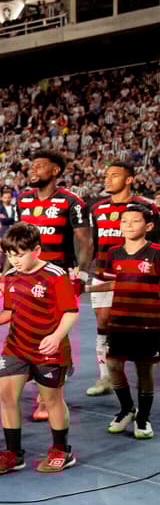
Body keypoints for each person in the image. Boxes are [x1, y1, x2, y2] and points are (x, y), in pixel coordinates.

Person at [0, 223, 80, 475]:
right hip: (16, 346)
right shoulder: (10, 276)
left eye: (20, 254)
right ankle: (13, 454)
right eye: (10, 255)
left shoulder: (55, 274)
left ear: (36, 250)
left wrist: (56, 336)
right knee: (6, 396)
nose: (15, 260)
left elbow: (71, 311)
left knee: (51, 399)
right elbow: (9, 311)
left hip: (48, 349)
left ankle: (62, 450)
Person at [15, 149, 92, 421]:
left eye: (39, 166)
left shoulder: (71, 201)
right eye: (32, 166)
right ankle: (52, 372)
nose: (33, 170)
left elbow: (85, 242)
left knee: (53, 332)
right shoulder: (23, 200)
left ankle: (47, 396)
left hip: (58, 276)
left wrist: (82, 275)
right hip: (26, 276)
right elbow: (18, 241)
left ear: (55, 171)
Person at [85, 161, 159, 397]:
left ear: (129, 179)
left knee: (140, 327)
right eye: (106, 175)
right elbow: (94, 242)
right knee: (103, 325)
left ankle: (143, 377)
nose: (107, 179)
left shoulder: (146, 207)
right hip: (104, 274)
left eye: (114, 175)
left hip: (137, 278)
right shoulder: (97, 208)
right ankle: (105, 377)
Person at [90, 204, 160, 440]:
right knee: (113, 365)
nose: (128, 225)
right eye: (124, 221)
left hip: (149, 323)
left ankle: (143, 418)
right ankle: (127, 408)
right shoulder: (113, 253)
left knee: (144, 370)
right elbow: (114, 282)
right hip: (120, 320)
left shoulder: (156, 252)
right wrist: (86, 288)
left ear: (148, 226)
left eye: (135, 221)